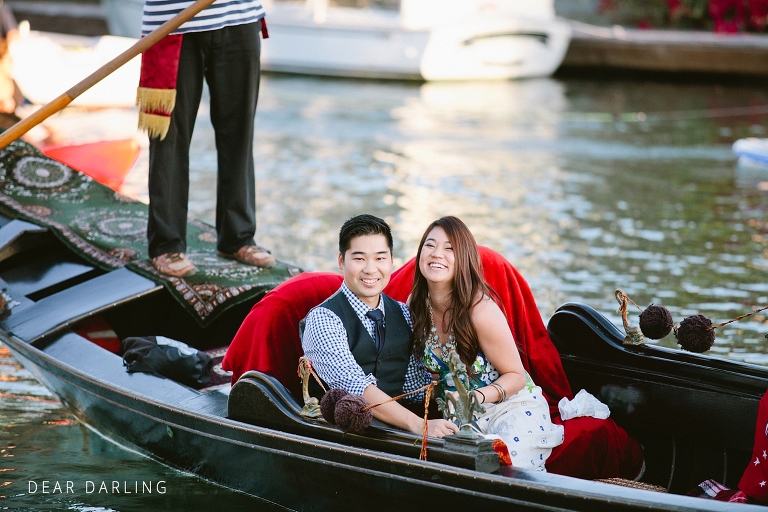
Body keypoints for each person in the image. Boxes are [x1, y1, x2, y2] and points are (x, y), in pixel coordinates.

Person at [407, 216, 564, 471]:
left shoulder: (480, 310)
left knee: (498, 466)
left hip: (510, 409)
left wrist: (472, 397)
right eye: (430, 245)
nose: (437, 254)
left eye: (449, 249)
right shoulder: (416, 304)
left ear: (464, 258)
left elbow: (515, 376)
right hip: (460, 418)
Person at [140, 0, 275, 277]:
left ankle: (237, 237)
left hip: (239, 17)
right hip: (173, 23)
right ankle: (166, 243)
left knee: (239, 135)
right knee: (169, 138)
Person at [301, 214, 459, 438]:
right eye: (359, 259)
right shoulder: (324, 319)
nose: (370, 269)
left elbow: (415, 385)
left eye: (380, 258)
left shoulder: (404, 313)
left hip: (398, 432)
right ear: (341, 261)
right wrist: (419, 426)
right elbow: (354, 386)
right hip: (343, 437)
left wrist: (467, 391)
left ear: (391, 261)